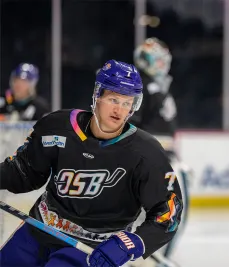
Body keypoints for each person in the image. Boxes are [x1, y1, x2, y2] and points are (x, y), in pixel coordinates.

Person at [0, 59, 184, 267]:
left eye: (127, 103)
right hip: (38, 231)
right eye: (114, 100)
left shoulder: (146, 153)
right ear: (97, 95)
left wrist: (132, 242)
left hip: (91, 249)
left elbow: (169, 211)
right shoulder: (57, 127)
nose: (120, 110)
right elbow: (24, 172)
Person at [132, 37, 190, 265]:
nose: (163, 65)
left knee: (172, 213)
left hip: (165, 160)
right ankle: (155, 261)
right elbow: (134, 126)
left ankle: (159, 260)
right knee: (167, 214)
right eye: (158, 60)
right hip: (153, 162)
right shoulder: (142, 87)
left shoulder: (158, 87)